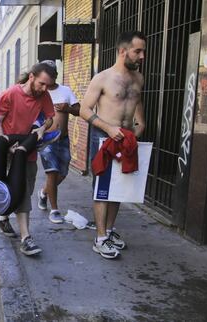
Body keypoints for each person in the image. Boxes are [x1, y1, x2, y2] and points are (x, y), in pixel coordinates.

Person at [80, 31, 146, 259]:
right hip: (104, 136)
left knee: (119, 187)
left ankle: (108, 231)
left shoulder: (139, 79)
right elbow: (84, 110)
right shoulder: (103, 78)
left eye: (143, 51)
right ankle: (99, 239)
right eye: (138, 51)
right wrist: (108, 128)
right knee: (103, 188)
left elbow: (136, 103)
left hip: (126, 138)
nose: (142, 56)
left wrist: (140, 125)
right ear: (122, 51)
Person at [0, 62, 56, 255]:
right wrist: (6, 144)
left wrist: (43, 128)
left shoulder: (43, 95)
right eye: (42, 84)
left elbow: (50, 117)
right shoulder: (11, 94)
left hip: (29, 150)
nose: (44, 89)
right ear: (31, 77)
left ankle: (3, 219)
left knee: (24, 192)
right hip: (11, 151)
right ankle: (26, 238)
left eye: (48, 85)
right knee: (21, 190)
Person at [36, 60, 80, 224]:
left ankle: (44, 192)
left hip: (63, 139)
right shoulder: (40, 92)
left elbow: (79, 110)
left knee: (62, 173)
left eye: (51, 76)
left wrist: (67, 108)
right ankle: (54, 210)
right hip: (47, 141)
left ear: (55, 76)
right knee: (52, 172)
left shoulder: (65, 91)